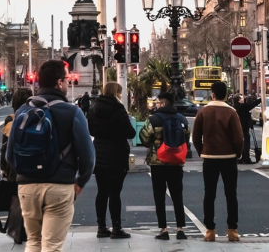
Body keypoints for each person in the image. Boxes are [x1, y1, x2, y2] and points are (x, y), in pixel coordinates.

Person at [6, 60, 95, 252]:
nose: (67, 83)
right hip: (59, 186)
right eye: (66, 79)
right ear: (58, 83)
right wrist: (80, 181)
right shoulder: (73, 112)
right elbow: (88, 156)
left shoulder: (23, 111)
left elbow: (9, 155)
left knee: (33, 242)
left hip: (27, 187)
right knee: (52, 247)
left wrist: (25, 174)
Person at [193, 82, 244, 242]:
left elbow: (195, 136)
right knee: (231, 195)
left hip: (209, 158)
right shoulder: (232, 112)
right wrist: (238, 153)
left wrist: (203, 150)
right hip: (228, 158)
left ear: (212, 94)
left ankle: (210, 230)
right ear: (226, 95)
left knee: (209, 194)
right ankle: (232, 230)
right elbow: (239, 138)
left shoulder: (203, 112)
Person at [139, 92, 190, 240]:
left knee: (159, 196)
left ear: (162, 103)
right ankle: (180, 229)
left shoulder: (153, 119)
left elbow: (143, 137)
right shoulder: (182, 119)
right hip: (176, 162)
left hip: (158, 162)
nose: (157, 104)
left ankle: (164, 230)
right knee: (177, 195)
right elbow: (186, 138)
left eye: (158, 102)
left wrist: (152, 144)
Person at [87, 82, 135, 239]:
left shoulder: (93, 109)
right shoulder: (118, 109)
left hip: (99, 153)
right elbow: (130, 133)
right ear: (116, 93)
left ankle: (101, 226)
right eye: (120, 93)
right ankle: (116, 227)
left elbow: (90, 130)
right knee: (115, 192)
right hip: (116, 154)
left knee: (102, 192)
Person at [0, 88, 34, 244]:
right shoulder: (35, 117)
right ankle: (28, 230)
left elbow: (4, 146)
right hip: (32, 165)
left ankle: (17, 231)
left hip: (14, 165)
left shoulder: (11, 119)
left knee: (17, 198)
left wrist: (3, 167)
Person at [232, 94, 261, 164]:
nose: (243, 99)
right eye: (242, 98)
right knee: (246, 143)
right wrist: (261, 99)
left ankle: (240, 158)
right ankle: (246, 158)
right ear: (239, 100)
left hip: (236, 128)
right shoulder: (242, 106)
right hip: (244, 127)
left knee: (239, 143)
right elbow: (252, 104)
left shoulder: (234, 107)